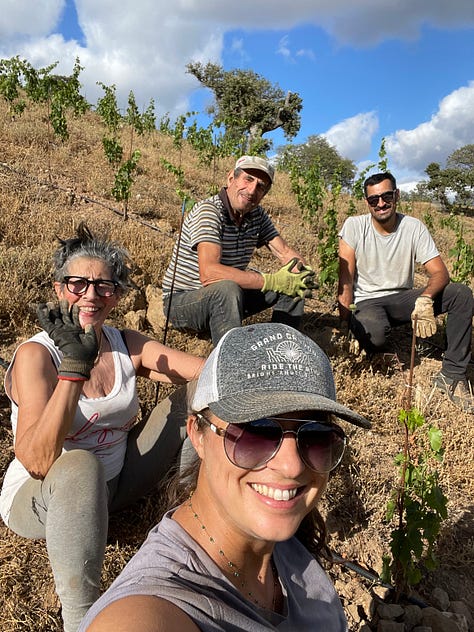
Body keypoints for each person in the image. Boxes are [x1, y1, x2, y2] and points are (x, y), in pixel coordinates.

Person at [79, 322, 371, 631]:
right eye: (255, 432)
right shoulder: (156, 605)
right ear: (198, 435)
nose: (292, 466)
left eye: (316, 435)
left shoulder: (280, 545)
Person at [0, 223, 205, 632]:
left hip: (116, 484)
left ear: (117, 295)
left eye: (104, 286)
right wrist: (74, 367)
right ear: (60, 290)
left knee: (199, 394)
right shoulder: (36, 356)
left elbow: (205, 373)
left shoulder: (123, 342)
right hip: (47, 497)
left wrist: (246, 360)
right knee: (80, 466)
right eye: (78, 284)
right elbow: (38, 459)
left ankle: (193, 510)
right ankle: (81, 619)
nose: (91, 295)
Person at [338, 172, 474, 413]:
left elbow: (440, 273)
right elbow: (346, 280)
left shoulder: (413, 227)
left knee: (461, 294)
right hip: (368, 302)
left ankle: (452, 374)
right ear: (366, 202)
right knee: (374, 334)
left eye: (386, 196)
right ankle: (378, 346)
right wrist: (345, 325)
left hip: (403, 299)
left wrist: (425, 299)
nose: (381, 203)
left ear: (397, 195)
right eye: (374, 199)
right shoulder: (354, 226)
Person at [162, 155, 316, 345]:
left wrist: (302, 272)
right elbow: (209, 273)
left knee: (294, 283)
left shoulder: (256, 215)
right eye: (248, 179)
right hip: (182, 303)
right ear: (230, 179)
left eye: (260, 186)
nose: (252, 190)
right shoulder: (209, 211)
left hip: (228, 298)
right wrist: (272, 281)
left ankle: (282, 347)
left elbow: (284, 252)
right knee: (227, 288)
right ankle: (233, 362)